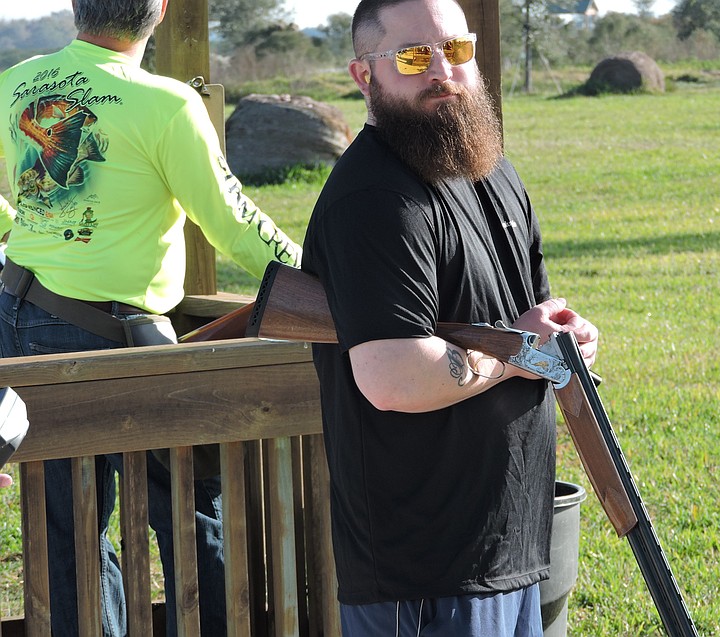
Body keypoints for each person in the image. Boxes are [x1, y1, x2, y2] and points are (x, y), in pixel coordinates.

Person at [0, 0, 302, 635]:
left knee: (69, 527)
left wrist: (23, 233)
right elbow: (233, 224)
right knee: (194, 510)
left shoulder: (16, 83)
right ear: (160, 11)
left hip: (17, 314)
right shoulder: (168, 104)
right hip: (121, 338)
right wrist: (318, 271)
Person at [301, 0, 599, 635]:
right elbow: (392, 376)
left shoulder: (487, 167)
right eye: (413, 57)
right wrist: (521, 350)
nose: (442, 71)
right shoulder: (374, 198)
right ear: (364, 76)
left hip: (509, 544)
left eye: (457, 51)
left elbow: (530, 315)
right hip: (426, 570)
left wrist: (564, 339)